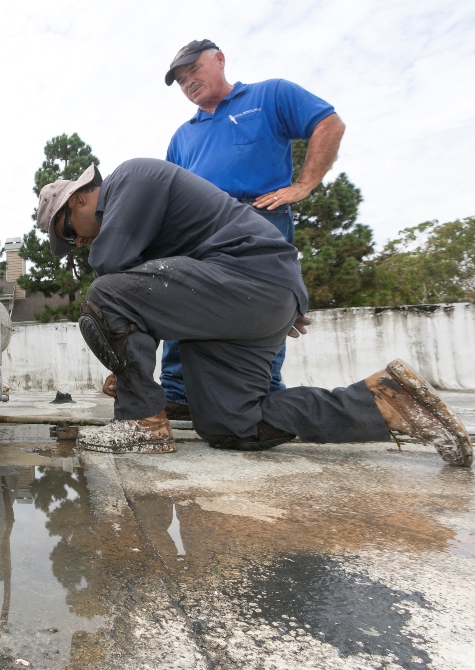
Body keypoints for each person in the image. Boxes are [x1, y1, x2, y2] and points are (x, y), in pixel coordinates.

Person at [33, 160, 471, 467]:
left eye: (68, 234)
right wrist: (132, 367)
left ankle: (140, 424)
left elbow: (113, 277)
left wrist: (135, 386)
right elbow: (155, 296)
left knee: (104, 294)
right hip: (249, 299)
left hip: (248, 282)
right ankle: (389, 404)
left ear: (79, 200)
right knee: (234, 427)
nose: (77, 244)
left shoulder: (132, 177)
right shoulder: (148, 229)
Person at [159, 39, 346, 421]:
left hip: (258, 218)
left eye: (193, 70)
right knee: (180, 299)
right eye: (180, 80)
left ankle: (262, 391)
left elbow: (329, 123)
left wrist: (304, 184)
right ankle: (177, 393)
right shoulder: (182, 136)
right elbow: (169, 195)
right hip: (199, 230)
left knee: (266, 306)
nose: (188, 82)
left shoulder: (269, 94)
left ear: (219, 60)